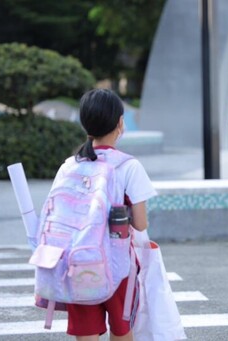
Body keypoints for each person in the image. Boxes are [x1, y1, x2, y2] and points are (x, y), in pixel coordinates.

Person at [67, 88, 157, 341]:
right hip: (118, 267)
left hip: (77, 262)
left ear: (86, 124)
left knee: (86, 333)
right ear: (121, 123)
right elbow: (140, 224)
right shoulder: (128, 166)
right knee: (121, 330)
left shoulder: (70, 165)